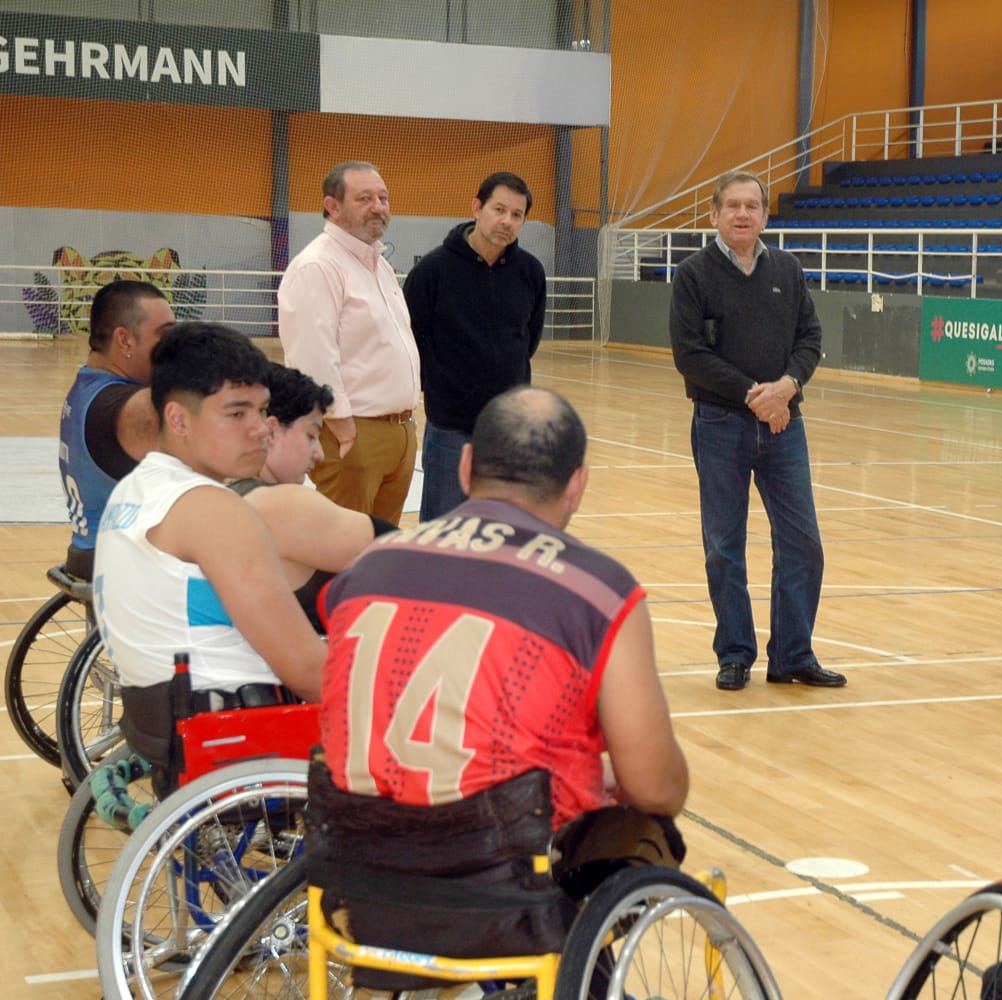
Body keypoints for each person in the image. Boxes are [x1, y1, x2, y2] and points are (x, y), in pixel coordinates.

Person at [309, 386, 689, 977]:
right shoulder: (595, 589)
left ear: (464, 468)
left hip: (358, 890)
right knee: (640, 812)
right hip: (508, 901)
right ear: (578, 484)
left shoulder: (368, 566)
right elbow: (653, 785)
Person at [94, 323, 326, 781]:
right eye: (236, 414)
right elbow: (307, 671)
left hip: (161, 722)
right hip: (237, 732)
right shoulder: (214, 509)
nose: (261, 430)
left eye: (262, 410)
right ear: (179, 419)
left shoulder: (131, 492)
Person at [668, 170, 844, 691]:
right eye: (733, 206)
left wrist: (786, 387)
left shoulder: (787, 270)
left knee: (803, 543)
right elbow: (690, 356)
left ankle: (793, 655)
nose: (743, 214)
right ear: (714, 214)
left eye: (752, 206)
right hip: (721, 424)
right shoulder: (694, 274)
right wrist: (755, 395)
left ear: (766, 215)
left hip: (786, 424)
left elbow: (810, 338)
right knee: (724, 544)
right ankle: (736, 654)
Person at [277, 160, 421, 524]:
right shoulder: (318, 267)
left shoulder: (380, 266)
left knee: (379, 552)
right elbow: (312, 357)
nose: (378, 207)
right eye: (364, 198)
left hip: (399, 433)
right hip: (353, 435)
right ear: (333, 206)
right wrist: (342, 426)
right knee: (342, 553)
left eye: (383, 198)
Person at [404, 170, 547, 521]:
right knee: (444, 533)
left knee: (501, 532)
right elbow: (411, 342)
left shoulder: (530, 272)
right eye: (499, 210)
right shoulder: (433, 271)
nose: (507, 221)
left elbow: (529, 339)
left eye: (517, 215)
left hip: (509, 430)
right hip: (451, 429)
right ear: (477, 208)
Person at [228, 363, 397, 631]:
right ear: (271, 432)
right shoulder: (282, 504)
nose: (318, 453)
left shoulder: (218, 490)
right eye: (311, 435)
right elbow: (406, 551)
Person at [58, 279, 176, 579]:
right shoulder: (129, 409)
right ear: (124, 341)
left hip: (95, 549)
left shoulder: (87, 387)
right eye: (165, 336)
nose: (174, 349)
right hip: (125, 562)